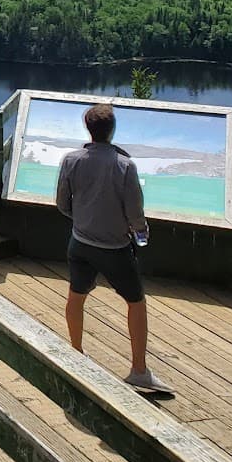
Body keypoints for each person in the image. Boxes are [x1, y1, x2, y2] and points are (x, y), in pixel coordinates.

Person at [54, 102, 172, 393]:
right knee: (136, 302)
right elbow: (134, 210)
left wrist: (83, 218)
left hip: (80, 242)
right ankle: (139, 370)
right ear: (112, 130)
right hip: (115, 247)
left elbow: (62, 203)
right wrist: (141, 233)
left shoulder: (71, 160)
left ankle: (76, 352)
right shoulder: (124, 165)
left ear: (88, 128)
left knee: (76, 296)